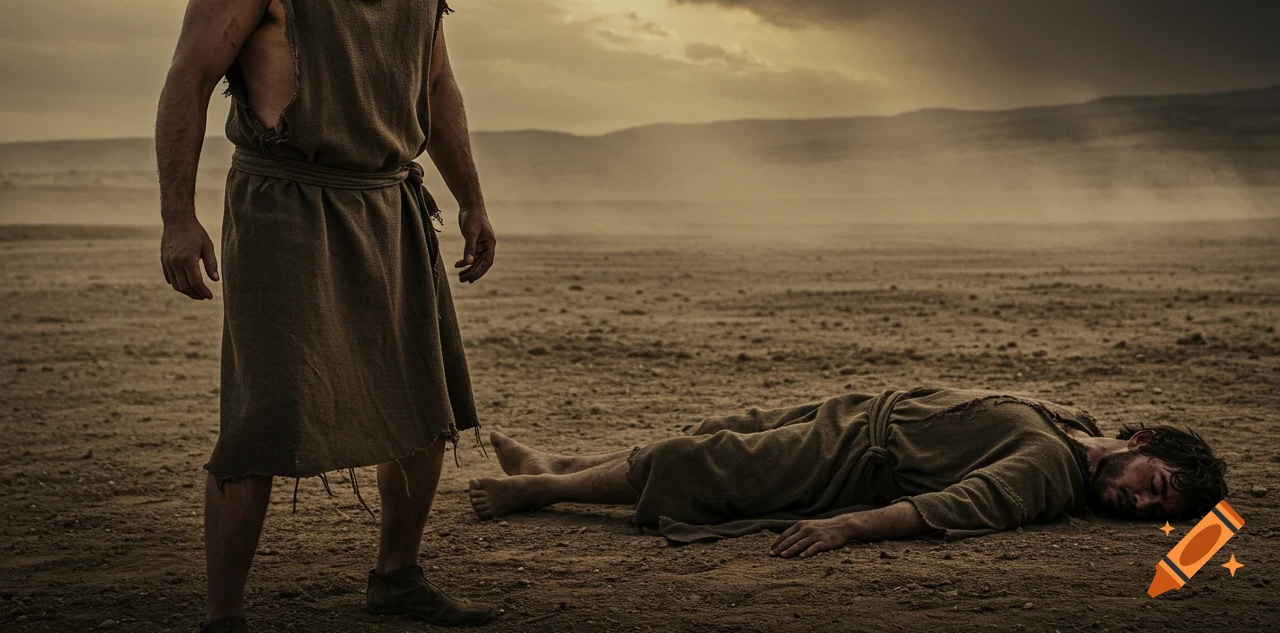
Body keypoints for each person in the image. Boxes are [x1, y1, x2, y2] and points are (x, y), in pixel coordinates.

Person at [155, 0, 498, 632]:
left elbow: (438, 87)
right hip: (285, 207)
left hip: (390, 203)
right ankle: (222, 617)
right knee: (262, 419)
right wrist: (177, 216)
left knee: (424, 404)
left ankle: (396, 574)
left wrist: (471, 198)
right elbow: (188, 81)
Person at [467, 386, 1227, 557]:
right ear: (1143, 439)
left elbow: (954, 506)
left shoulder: (1049, 474)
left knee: (700, 462)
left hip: (851, 459)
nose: (1137, 504)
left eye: (1154, 512)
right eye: (1154, 484)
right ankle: (563, 464)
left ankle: (540, 489)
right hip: (855, 410)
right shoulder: (1072, 423)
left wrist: (846, 526)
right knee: (712, 430)